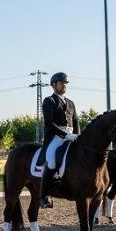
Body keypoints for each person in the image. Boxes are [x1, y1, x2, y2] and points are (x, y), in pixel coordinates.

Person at [39, 72, 79, 207]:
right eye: (61, 83)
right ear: (54, 85)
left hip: (72, 136)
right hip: (55, 137)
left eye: (65, 83)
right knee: (51, 160)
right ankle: (45, 195)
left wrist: (77, 136)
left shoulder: (71, 103)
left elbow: (76, 121)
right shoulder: (49, 101)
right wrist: (65, 135)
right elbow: (49, 123)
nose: (64, 85)